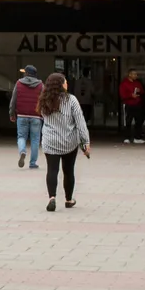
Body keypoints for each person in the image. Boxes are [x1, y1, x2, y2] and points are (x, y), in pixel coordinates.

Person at [38, 72, 91, 212]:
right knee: (68, 171)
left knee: (52, 170)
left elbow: (43, 117)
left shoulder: (44, 100)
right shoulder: (71, 100)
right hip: (69, 142)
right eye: (65, 82)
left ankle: (52, 198)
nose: (67, 84)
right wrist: (86, 142)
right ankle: (68, 199)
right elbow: (80, 122)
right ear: (61, 85)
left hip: (50, 142)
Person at [9, 63, 43, 169]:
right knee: (35, 139)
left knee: (21, 137)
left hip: (22, 115)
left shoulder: (19, 83)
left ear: (27, 73)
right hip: (36, 116)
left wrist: (11, 113)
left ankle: (22, 151)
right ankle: (32, 163)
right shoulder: (41, 85)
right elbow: (44, 101)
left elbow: (13, 100)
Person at [119, 70, 145, 143]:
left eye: (136, 74)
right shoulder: (124, 83)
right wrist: (130, 95)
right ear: (129, 75)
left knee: (138, 121)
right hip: (128, 104)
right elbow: (122, 94)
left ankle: (137, 137)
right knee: (128, 121)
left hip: (137, 104)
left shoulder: (138, 83)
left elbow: (142, 92)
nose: (136, 76)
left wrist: (139, 91)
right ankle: (127, 137)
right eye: (134, 74)